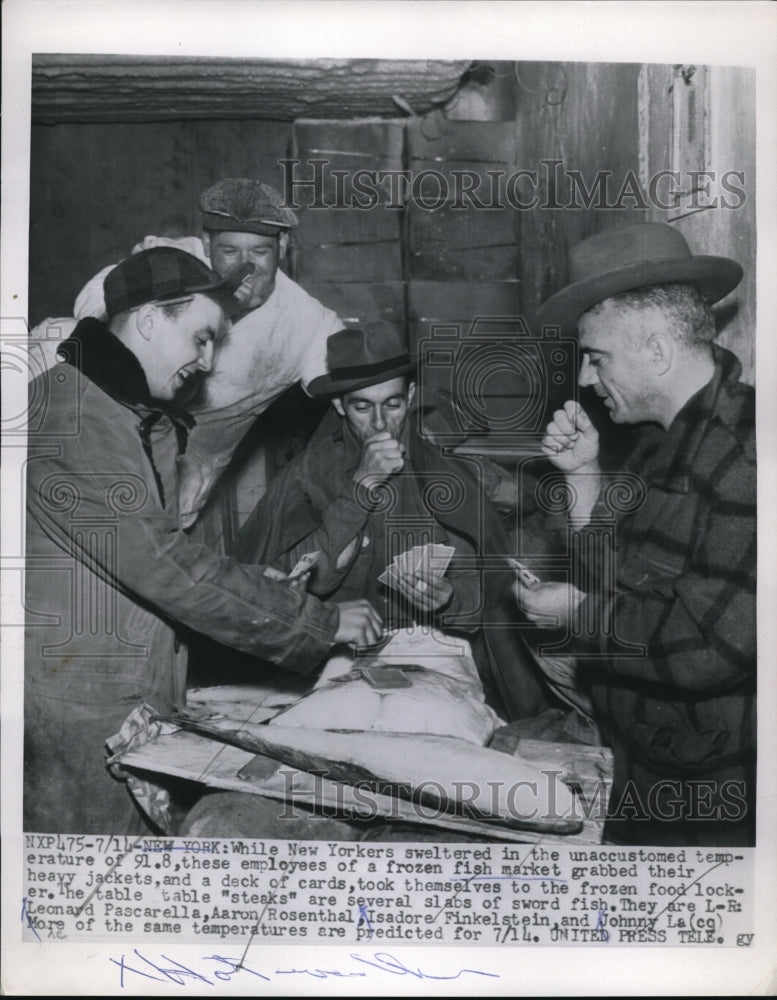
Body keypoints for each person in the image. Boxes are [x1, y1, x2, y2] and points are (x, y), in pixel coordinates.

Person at [24, 247, 380, 835]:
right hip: (82, 710)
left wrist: (254, 586)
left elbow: (149, 552)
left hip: (115, 692)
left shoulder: (117, 410)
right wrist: (317, 621)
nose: (208, 361)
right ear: (147, 319)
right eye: (201, 337)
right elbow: (166, 567)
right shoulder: (77, 421)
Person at [514, 222, 755, 846]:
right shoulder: (658, 440)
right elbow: (621, 581)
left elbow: (713, 648)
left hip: (716, 792)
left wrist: (582, 615)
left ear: (656, 350)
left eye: (597, 357)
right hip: (651, 757)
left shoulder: (749, 455)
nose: (589, 380)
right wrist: (584, 479)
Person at [237, 323, 550, 720]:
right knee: (327, 725)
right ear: (338, 406)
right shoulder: (309, 475)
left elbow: (483, 596)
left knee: (421, 723)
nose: (381, 424)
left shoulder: (445, 477)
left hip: (432, 649)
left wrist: (449, 600)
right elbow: (275, 584)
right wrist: (361, 487)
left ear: (412, 397)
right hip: (335, 651)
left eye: (393, 404)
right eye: (362, 407)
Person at [39, 177, 344, 527]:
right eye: (229, 252)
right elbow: (91, 304)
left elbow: (357, 381)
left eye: (260, 252)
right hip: (113, 430)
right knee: (57, 338)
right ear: (206, 242)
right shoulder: (174, 261)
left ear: (284, 246)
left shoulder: (308, 321)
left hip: (191, 465)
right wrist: (152, 288)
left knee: (159, 555)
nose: (245, 267)